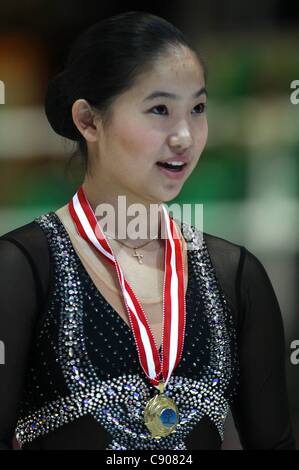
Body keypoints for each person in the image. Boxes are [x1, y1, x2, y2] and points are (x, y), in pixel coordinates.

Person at [0, 11, 296, 450]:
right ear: (89, 121)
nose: (184, 136)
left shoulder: (235, 275)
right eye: (159, 109)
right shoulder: (22, 268)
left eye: (197, 109)